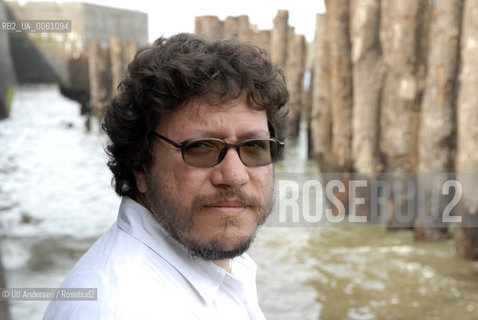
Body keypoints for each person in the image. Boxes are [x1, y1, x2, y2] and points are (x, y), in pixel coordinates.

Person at [44, 33, 289, 319]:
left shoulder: (220, 268)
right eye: (200, 148)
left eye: (254, 146)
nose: (234, 176)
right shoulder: (119, 308)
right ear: (140, 165)